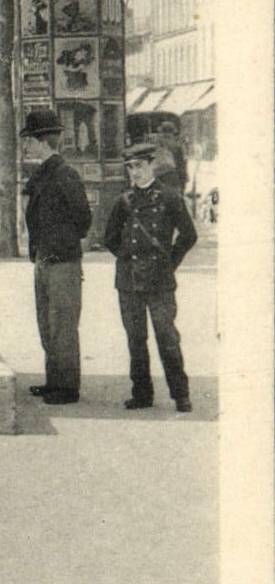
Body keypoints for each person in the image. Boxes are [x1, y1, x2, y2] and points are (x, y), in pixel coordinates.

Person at [103, 139, 198, 412]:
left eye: (140, 166)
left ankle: (181, 394)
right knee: (135, 339)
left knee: (167, 337)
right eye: (130, 167)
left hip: (159, 281)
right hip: (129, 281)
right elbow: (109, 237)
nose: (135, 172)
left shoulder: (169, 197)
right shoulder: (124, 201)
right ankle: (141, 394)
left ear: (151, 166)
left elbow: (189, 235)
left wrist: (170, 262)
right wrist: (126, 256)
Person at [21, 107, 93, 405]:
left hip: (62, 261)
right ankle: (54, 381)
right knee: (46, 322)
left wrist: (60, 241)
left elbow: (84, 219)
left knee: (63, 324)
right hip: (43, 259)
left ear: (42, 141)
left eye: (29, 140)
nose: (25, 145)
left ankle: (67, 387)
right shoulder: (42, 173)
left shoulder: (65, 175)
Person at [151, 118, 188, 193]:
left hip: (159, 177)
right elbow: (182, 166)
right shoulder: (177, 145)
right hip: (174, 179)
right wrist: (183, 182)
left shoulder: (156, 143)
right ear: (172, 132)